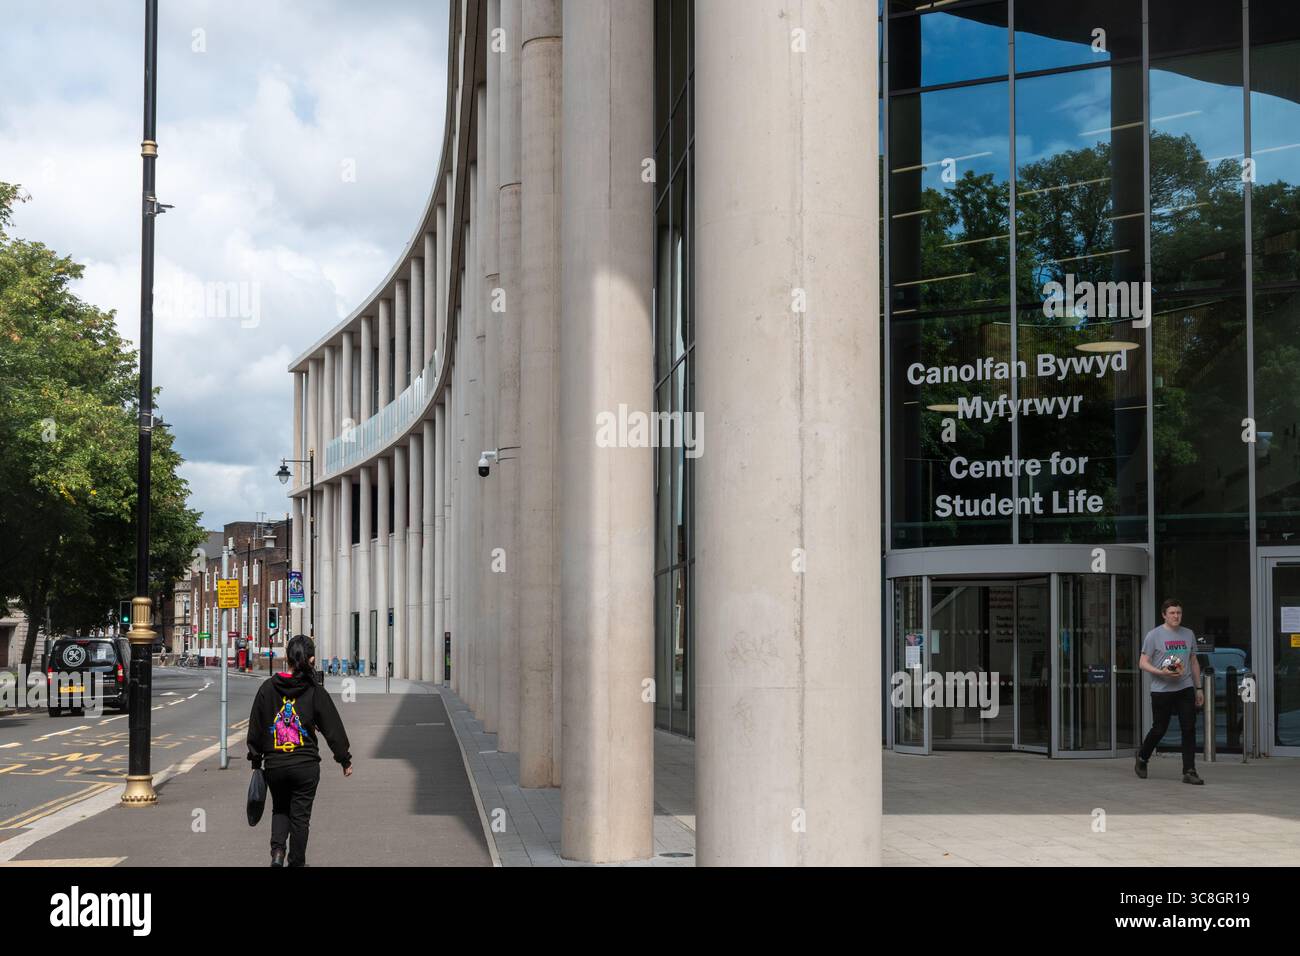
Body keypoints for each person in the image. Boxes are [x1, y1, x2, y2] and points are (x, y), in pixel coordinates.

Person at [246, 634, 353, 866]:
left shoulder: (267, 688)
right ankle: (296, 862)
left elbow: (256, 727)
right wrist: (344, 759)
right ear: (311, 660)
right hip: (305, 765)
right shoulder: (315, 691)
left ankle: (277, 853)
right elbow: (333, 728)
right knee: (300, 818)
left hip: (275, 765)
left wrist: (256, 760)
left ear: (286, 658)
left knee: (280, 808)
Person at [1135, 599, 1205, 785]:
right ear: (1164, 615)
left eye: (1179, 613)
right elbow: (1142, 663)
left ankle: (1189, 770)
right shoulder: (1154, 635)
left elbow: (1193, 661)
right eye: (1172, 613)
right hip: (1162, 690)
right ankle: (1142, 757)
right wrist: (1161, 672)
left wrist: (1198, 688)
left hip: (1185, 687)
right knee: (1159, 728)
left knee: (1188, 728)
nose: (1176, 616)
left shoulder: (1188, 634)